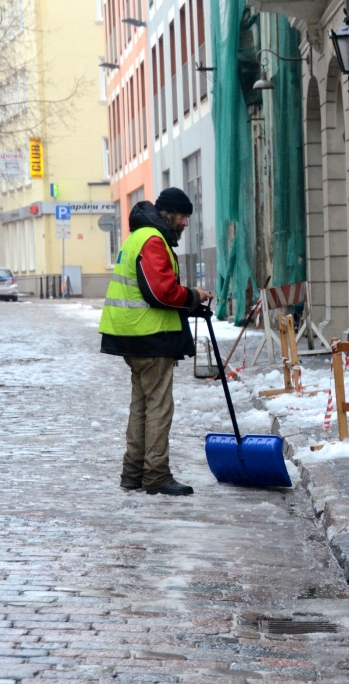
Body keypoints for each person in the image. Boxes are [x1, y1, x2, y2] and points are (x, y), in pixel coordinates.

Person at [99, 188, 212, 496]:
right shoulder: (153, 240)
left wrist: (188, 297)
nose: (186, 223)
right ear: (169, 214)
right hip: (149, 337)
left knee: (141, 407)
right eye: (183, 216)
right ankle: (156, 475)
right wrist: (191, 295)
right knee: (159, 407)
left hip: (131, 335)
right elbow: (159, 291)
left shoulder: (138, 237)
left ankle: (133, 473)